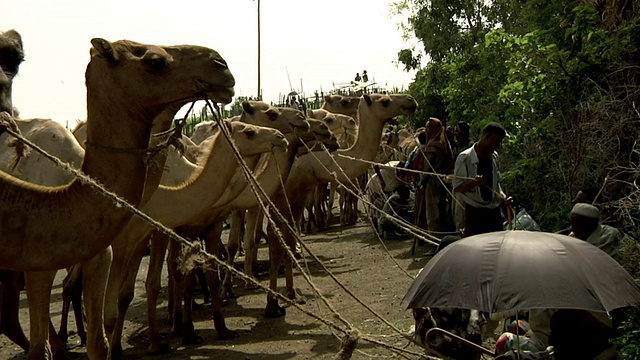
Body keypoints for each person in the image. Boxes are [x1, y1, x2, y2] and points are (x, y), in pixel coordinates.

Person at [452, 122, 508, 237]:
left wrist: (504, 198)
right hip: (474, 211)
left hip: (493, 209)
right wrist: (474, 183)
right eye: (496, 141)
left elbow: (496, 184)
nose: (497, 145)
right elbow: (457, 187)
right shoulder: (465, 158)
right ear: (487, 137)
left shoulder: (494, 156)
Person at [420, 117, 454, 236]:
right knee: (441, 208)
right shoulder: (443, 142)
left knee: (433, 211)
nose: (426, 129)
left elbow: (428, 167)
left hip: (433, 182)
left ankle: (435, 236)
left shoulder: (433, 145)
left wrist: (422, 181)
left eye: (428, 127)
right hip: (442, 181)